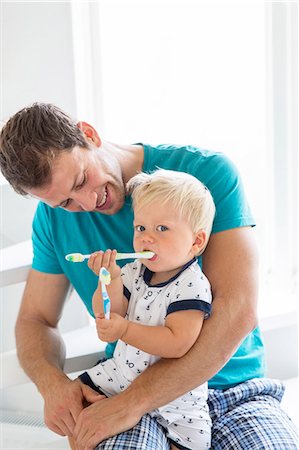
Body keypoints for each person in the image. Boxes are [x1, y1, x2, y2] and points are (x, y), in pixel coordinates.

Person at [0, 103, 297, 450]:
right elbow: (36, 319)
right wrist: (53, 385)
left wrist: (131, 404)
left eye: (81, 180)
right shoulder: (52, 221)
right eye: (66, 202)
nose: (87, 201)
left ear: (89, 135)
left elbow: (238, 313)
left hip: (232, 392)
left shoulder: (206, 174)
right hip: (125, 389)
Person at [81, 169, 215, 450]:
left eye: (162, 229)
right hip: (122, 379)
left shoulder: (192, 285)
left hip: (177, 402)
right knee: (80, 400)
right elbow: (108, 313)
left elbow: (177, 343)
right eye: (141, 228)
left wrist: (125, 329)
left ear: (196, 242)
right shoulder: (134, 271)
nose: (146, 238)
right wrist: (110, 280)